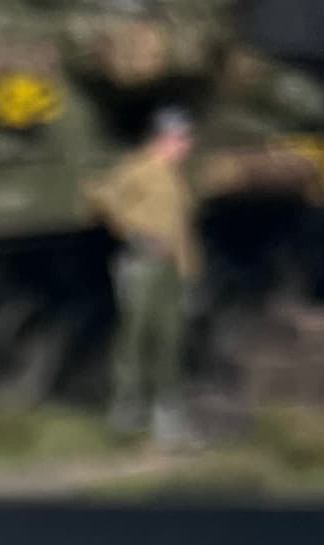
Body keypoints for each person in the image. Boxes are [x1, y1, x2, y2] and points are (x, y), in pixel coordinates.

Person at [86, 107, 203, 444]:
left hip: (170, 268)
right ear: (163, 139)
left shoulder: (174, 176)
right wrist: (133, 231)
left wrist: (190, 270)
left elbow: (181, 228)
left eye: (186, 139)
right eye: (181, 139)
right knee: (134, 339)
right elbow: (102, 196)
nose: (186, 145)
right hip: (142, 266)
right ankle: (126, 412)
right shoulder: (138, 169)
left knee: (169, 340)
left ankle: (168, 417)